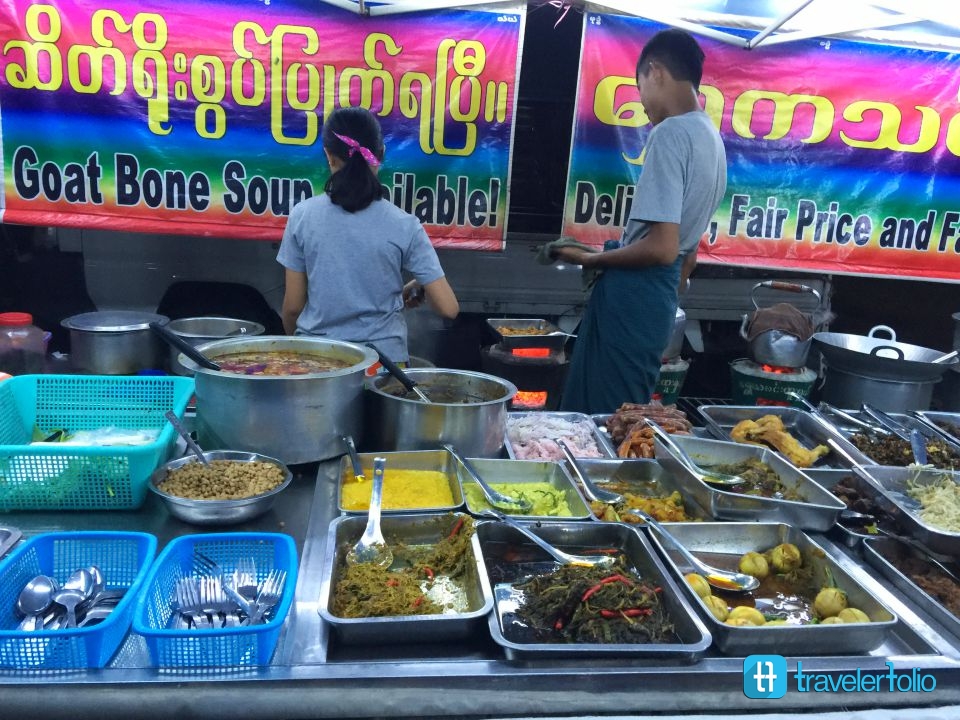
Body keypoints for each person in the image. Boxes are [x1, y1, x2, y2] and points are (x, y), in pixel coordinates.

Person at [554, 28, 727, 414]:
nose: (643, 103)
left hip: (636, 296)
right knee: (624, 405)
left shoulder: (671, 134)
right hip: (655, 299)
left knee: (604, 416)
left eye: (639, 87)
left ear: (656, 71)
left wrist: (591, 259)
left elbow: (662, 247)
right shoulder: (711, 137)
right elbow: (686, 255)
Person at [277, 107, 459, 363]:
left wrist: (298, 348)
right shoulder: (405, 225)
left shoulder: (302, 217)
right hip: (384, 367)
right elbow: (448, 308)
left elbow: (293, 307)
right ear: (381, 153)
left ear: (329, 156)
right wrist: (416, 286)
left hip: (321, 366)